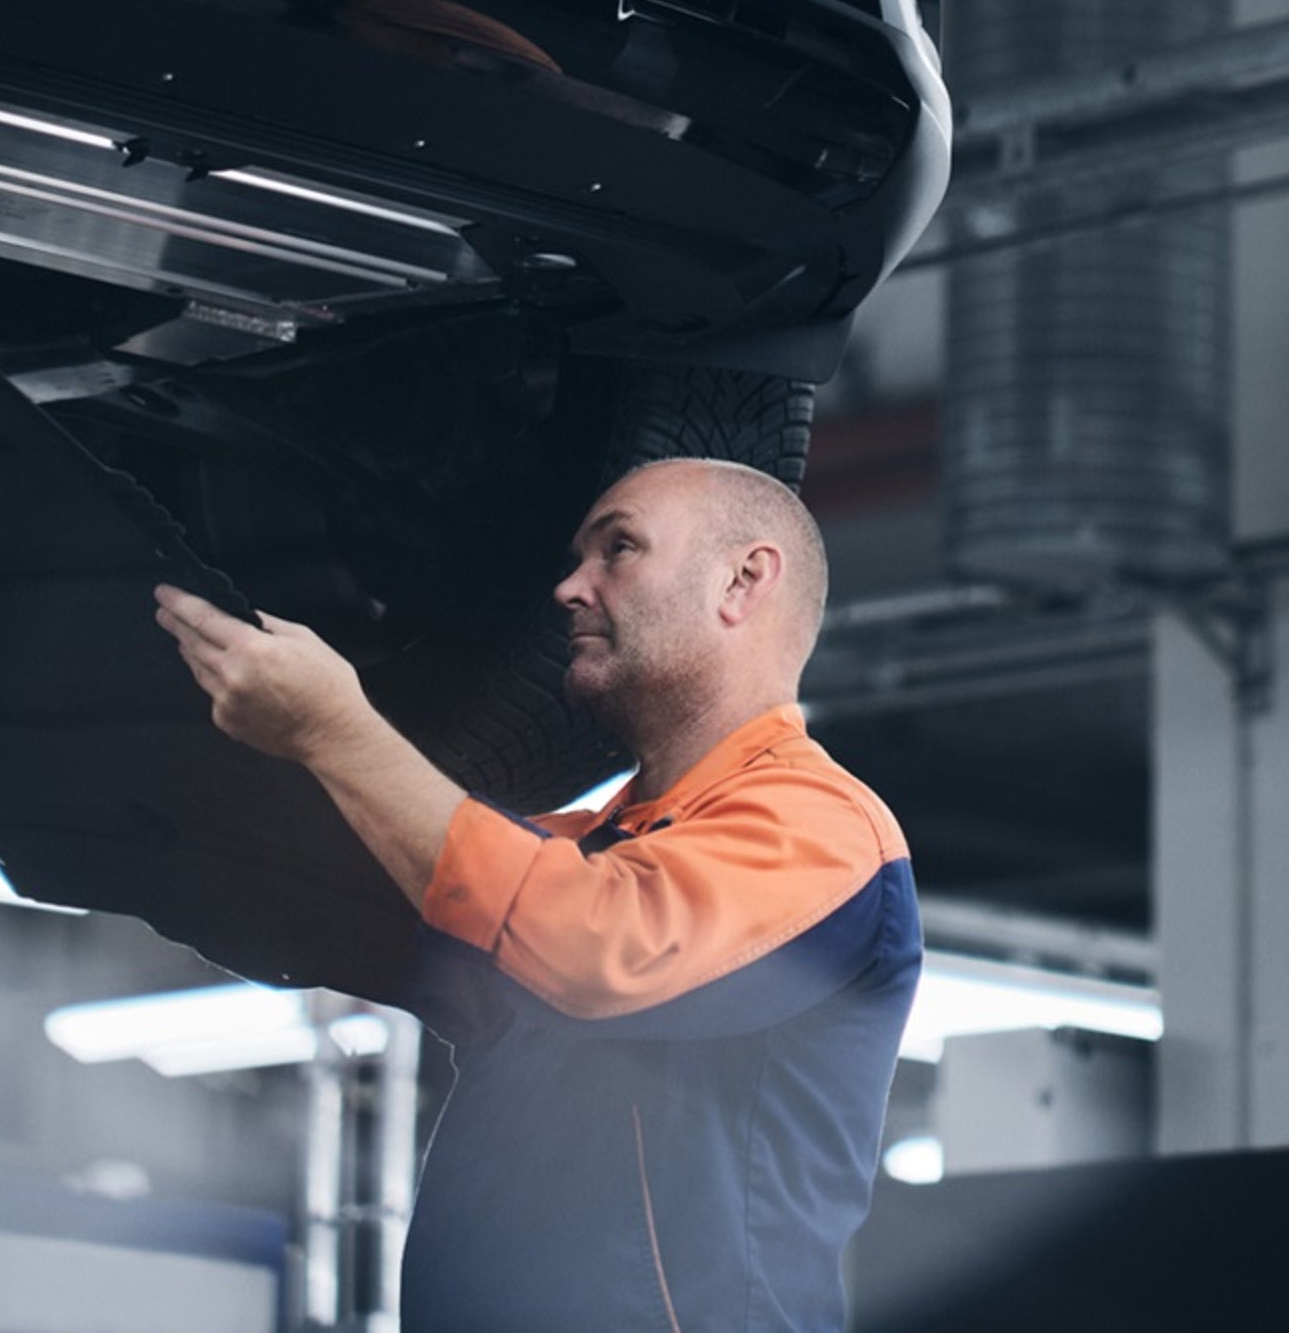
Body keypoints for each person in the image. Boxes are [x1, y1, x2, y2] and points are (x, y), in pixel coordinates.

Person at [154, 457, 918, 1332]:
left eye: (618, 549)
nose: (568, 588)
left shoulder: (820, 827)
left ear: (742, 581)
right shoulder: (582, 851)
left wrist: (338, 731)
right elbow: (350, 909)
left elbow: (598, 948)